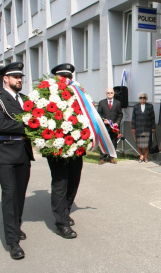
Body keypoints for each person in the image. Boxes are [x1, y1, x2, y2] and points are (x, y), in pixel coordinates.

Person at [0, 62, 34, 259]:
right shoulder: (1, 98)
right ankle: (12, 241)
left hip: (23, 153)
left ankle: (15, 225)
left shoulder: (24, 99)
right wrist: (28, 125)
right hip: (5, 154)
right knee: (10, 196)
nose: (19, 80)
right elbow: (2, 123)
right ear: (6, 78)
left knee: (20, 195)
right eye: (15, 77)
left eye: (21, 77)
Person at [47, 63, 83, 239]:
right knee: (60, 182)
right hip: (57, 148)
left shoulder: (78, 94)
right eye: (62, 77)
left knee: (74, 180)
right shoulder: (47, 95)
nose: (66, 81)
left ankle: (66, 211)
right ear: (56, 78)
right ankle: (60, 222)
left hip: (76, 146)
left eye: (68, 77)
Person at [98, 87, 123, 165]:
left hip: (114, 127)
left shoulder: (118, 103)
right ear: (106, 94)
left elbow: (120, 114)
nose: (110, 94)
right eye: (108, 93)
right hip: (104, 126)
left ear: (113, 93)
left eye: (111, 93)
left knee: (113, 142)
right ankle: (103, 158)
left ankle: (111, 158)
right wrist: (103, 120)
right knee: (103, 142)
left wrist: (117, 123)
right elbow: (99, 114)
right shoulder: (102, 102)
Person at [131, 93, 155, 163]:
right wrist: (133, 127)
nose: (142, 99)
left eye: (144, 98)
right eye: (141, 98)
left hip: (147, 128)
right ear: (139, 99)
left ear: (146, 99)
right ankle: (141, 155)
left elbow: (153, 117)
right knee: (139, 144)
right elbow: (133, 118)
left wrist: (153, 127)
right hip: (138, 128)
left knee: (147, 144)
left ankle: (146, 156)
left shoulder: (150, 106)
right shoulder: (136, 106)